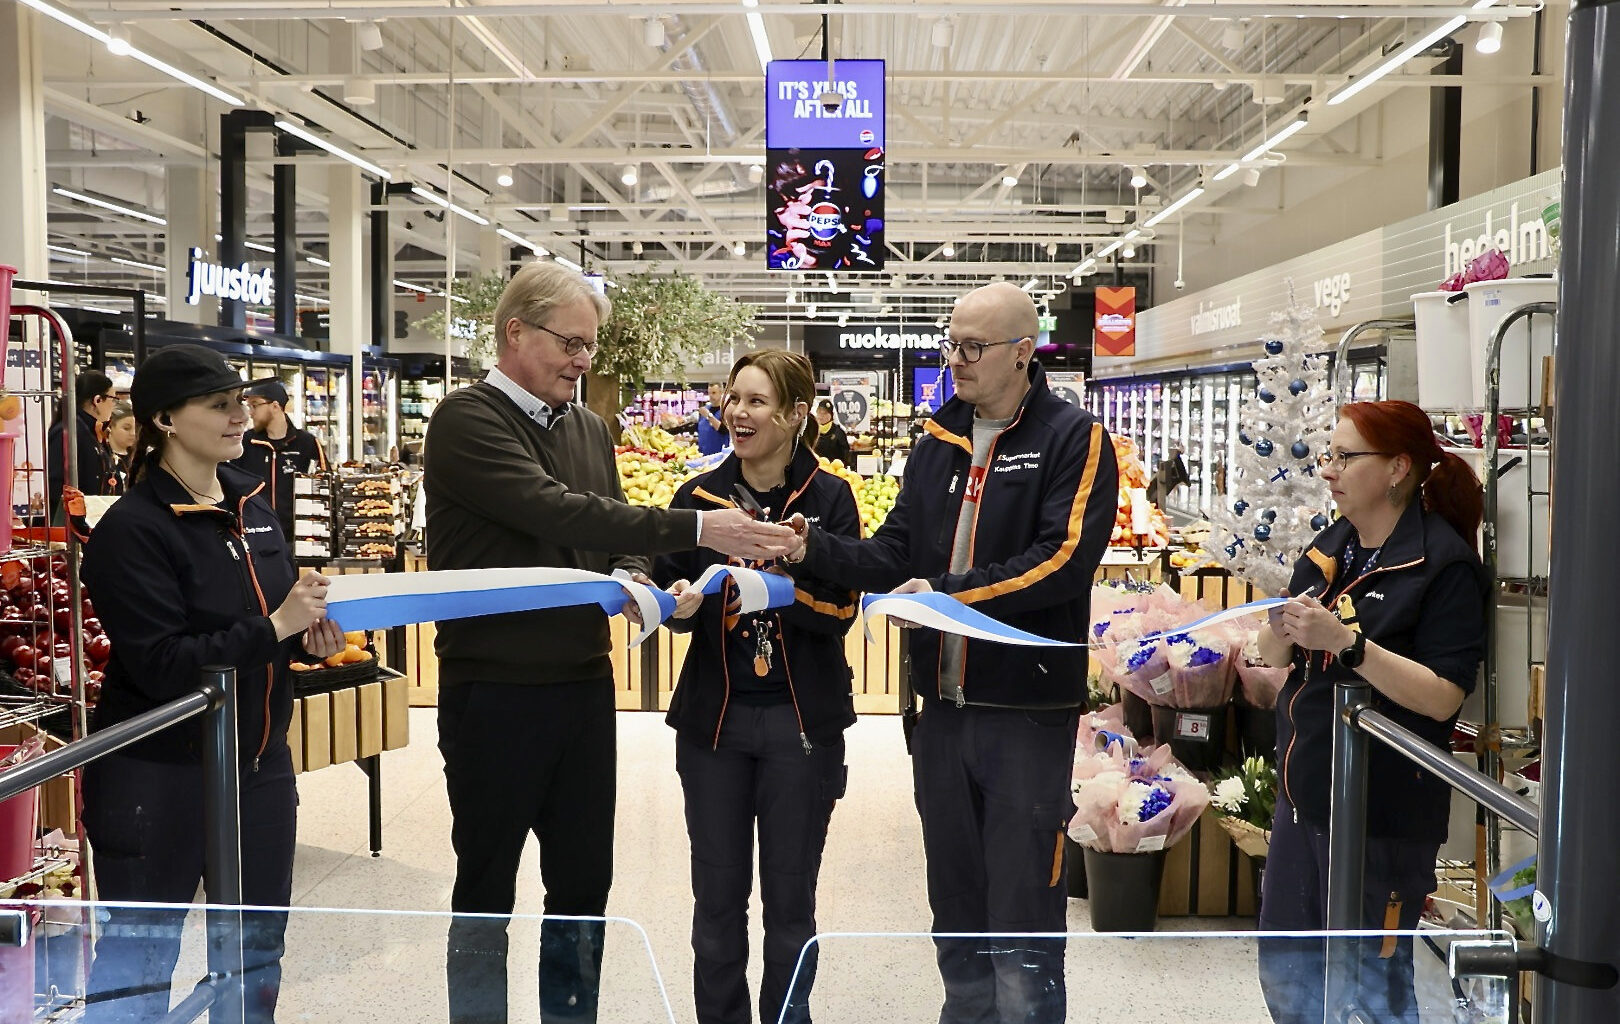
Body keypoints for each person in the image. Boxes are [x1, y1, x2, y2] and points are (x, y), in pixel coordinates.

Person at [422, 261, 798, 1024]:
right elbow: (555, 511)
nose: (583, 359)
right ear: (515, 331)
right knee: (487, 885)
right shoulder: (467, 420)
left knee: (584, 885)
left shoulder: (589, 427)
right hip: (494, 691)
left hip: (583, 688)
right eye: (570, 342)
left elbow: (610, 525)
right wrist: (696, 525)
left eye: (590, 344)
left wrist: (633, 573)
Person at [783, 281, 1120, 1023]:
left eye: (973, 347)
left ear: (1023, 353)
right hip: (940, 715)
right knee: (957, 907)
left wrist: (942, 597)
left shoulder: (1073, 439)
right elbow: (897, 548)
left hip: (1024, 713)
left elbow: (1060, 561)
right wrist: (816, 549)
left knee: (1025, 910)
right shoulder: (938, 440)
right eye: (952, 344)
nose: (956, 361)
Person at [80, 344, 344, 1023]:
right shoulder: (133, 531)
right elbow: (164, 661)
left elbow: (272, 623)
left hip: (257, 768)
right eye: (219, 404)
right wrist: (276, 627)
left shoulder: (253, 507)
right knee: (140, 960)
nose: (239, 417)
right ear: (166, 418)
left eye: (240, 402)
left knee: (257, 952)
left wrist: (308, 639)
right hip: (157, 774)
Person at [1255, 400, 1487, 1024]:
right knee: (1286, 976)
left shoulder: (1445, 566)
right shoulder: (1335, 545)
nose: (1327, 470)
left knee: (1371, 991)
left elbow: (1442, 696)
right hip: (1304, 797)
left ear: (1397, 469)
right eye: (1328, 455)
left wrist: (1348, 645)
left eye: (1345, 457)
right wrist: (1281, 627)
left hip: (1382, 815)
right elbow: (1269, 651)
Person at [653, 351, 860, 1024]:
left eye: (756, 401)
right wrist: (672, 600)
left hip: (802, 731)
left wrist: (775, 582)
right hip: (714, 726)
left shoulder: (829, 499)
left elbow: (842, 611)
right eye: (732, 398)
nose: (737, 412)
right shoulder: (699, 499)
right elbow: (663, 587)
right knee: (715, 903)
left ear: (796, 415)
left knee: (791, 906)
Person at [233, 380, 328, 542]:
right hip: (254, 539)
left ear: (275, 406)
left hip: (298, 541)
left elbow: (323, 489)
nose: (250, 412)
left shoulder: (307, 444)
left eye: (255, 405)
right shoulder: (244, 444)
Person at [47, 368, 115, 517]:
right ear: (97, 400)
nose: (113, 406)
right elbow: (56, 483)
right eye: (112, 399)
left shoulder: (88, 430)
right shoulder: (69, 431)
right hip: (71, 522)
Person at [104, 401, 137, 495]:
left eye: (136, 428)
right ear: (110, 427)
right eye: (126, 428)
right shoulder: (103, 456)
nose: (133, 433)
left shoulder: (139, 458)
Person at [811, 398, 851, 466]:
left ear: (831, 415)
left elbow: (845, 455)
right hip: (815, 469)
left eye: (825, 413)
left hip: (834, 471)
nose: (821, 416)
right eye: (819, 412)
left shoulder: (839, 432)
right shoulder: (812, 430)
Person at [696, 381, 729, 457]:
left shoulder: (726, 410)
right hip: (703, 456)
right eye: (709, 393)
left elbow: (723, 430)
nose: (710, 396)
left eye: (714, 393)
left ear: (721, 393)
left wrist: (709, 416)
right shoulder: (705, 409)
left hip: (719, 457)